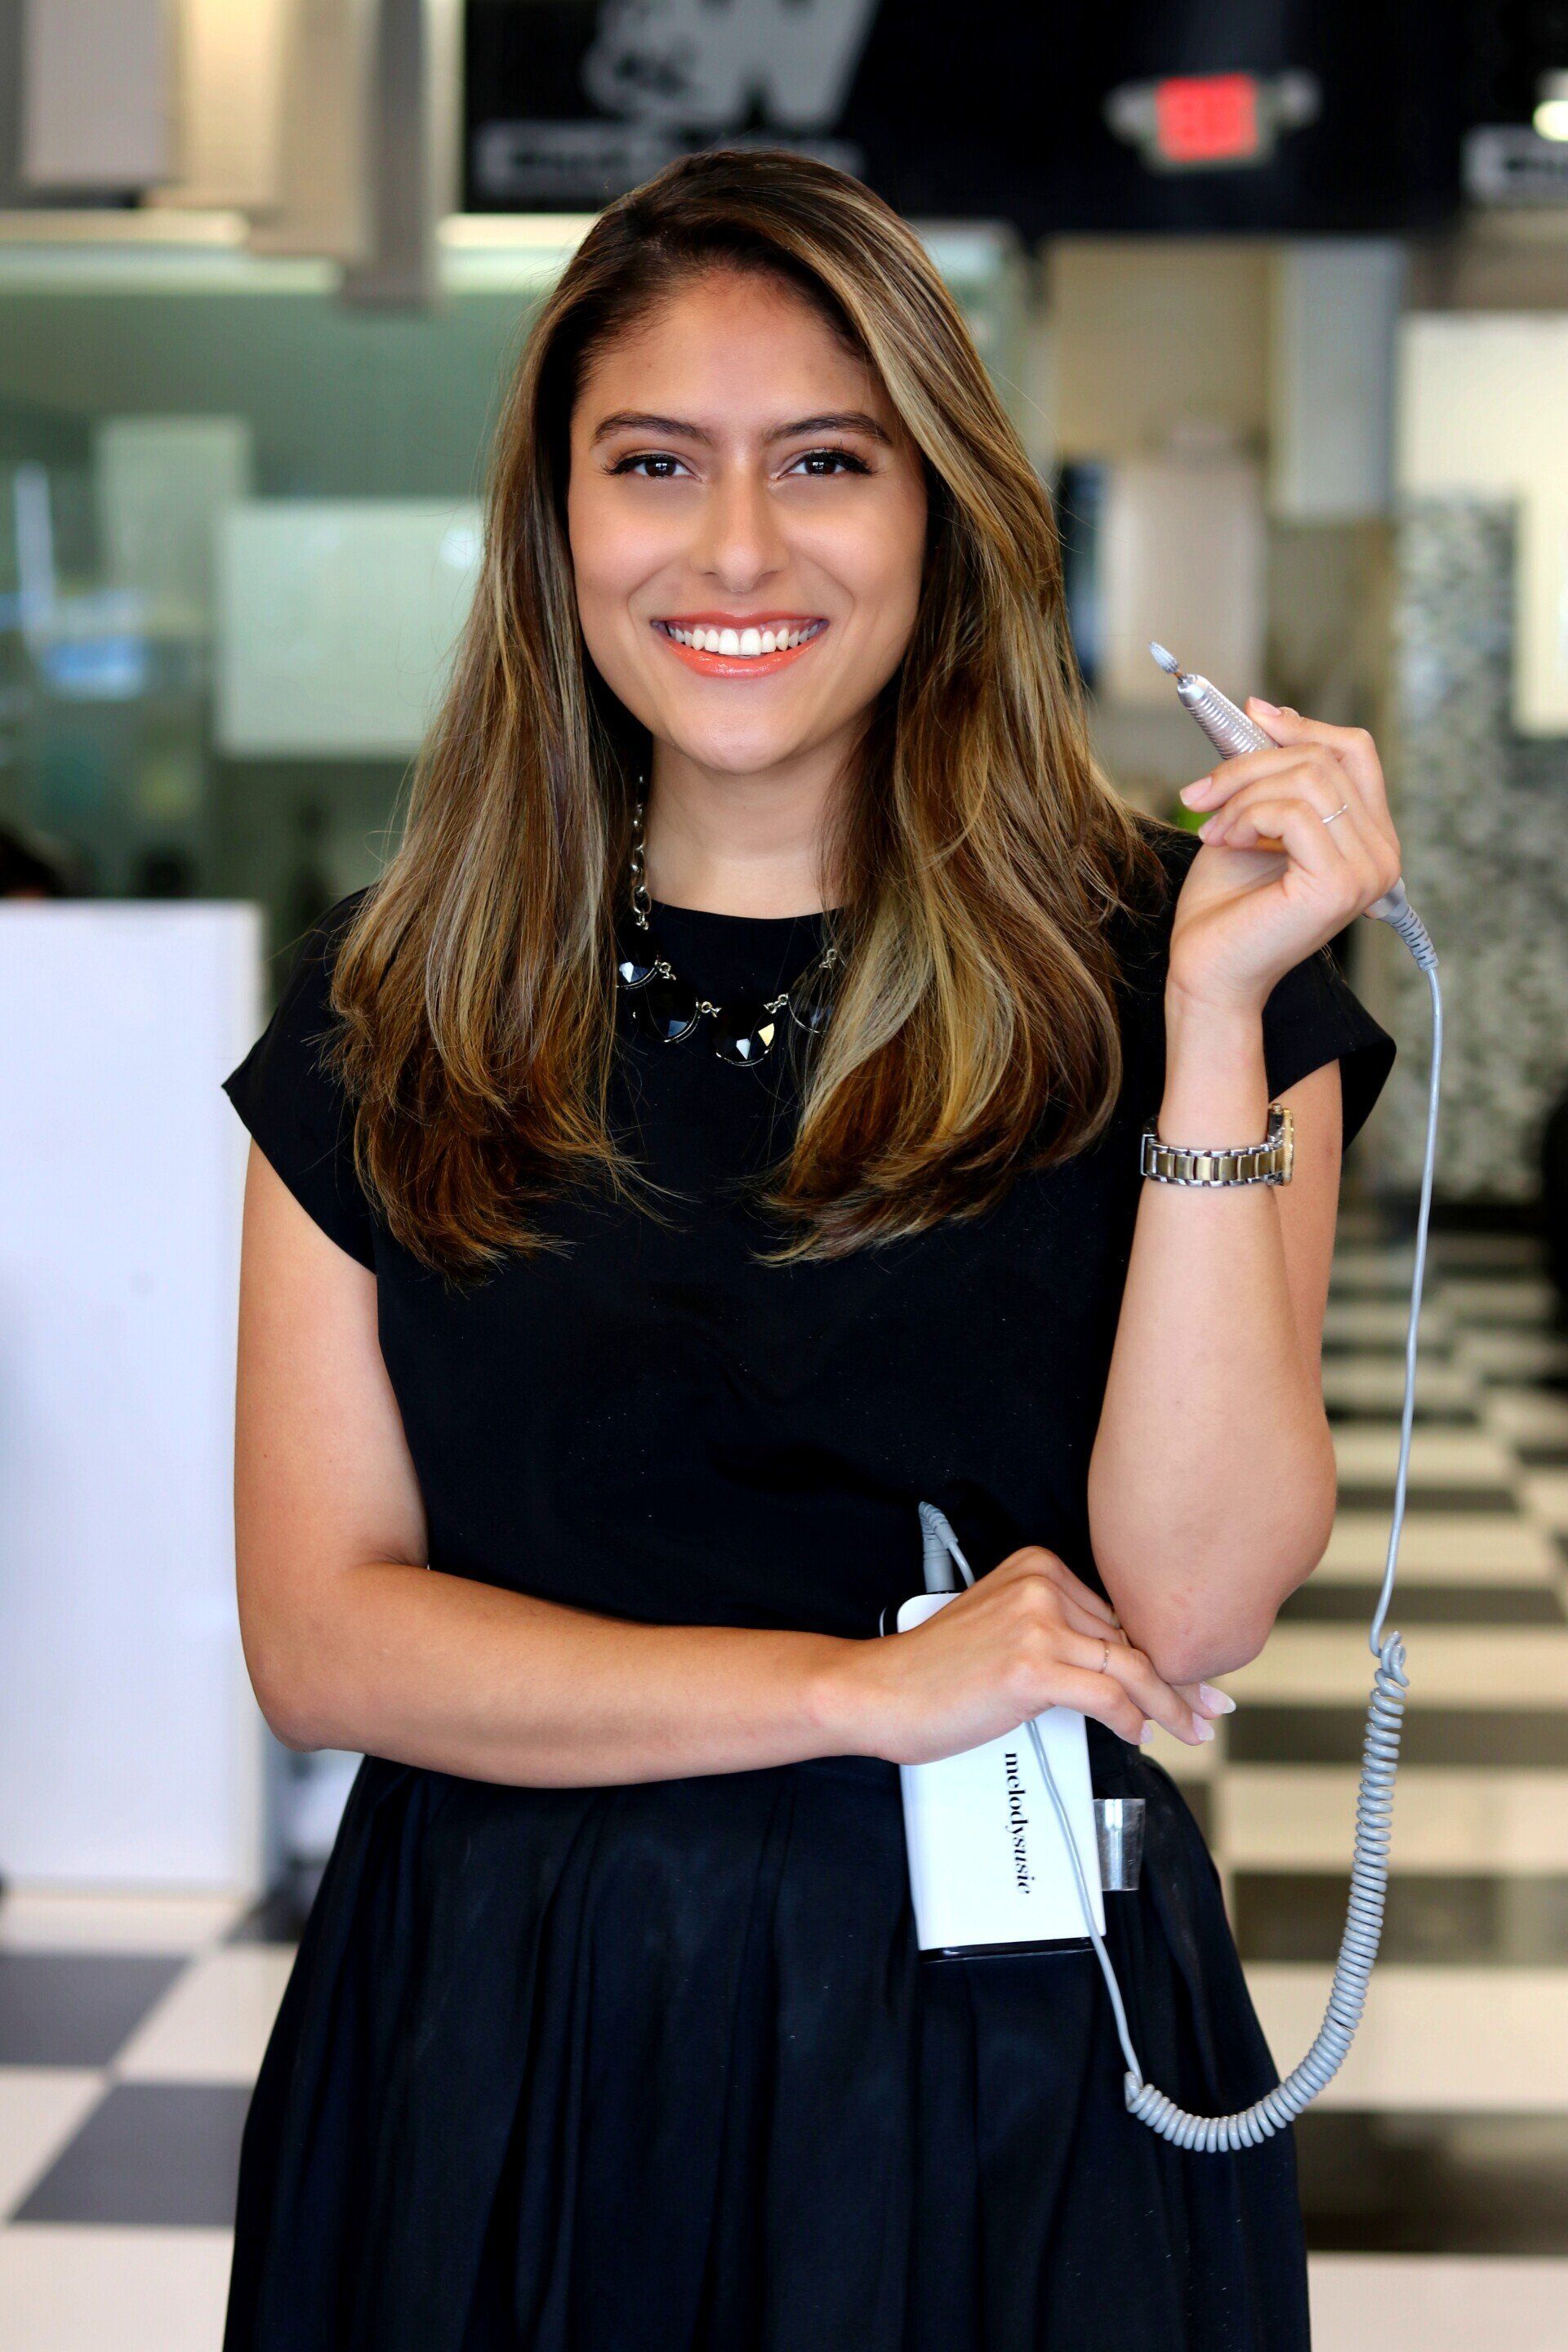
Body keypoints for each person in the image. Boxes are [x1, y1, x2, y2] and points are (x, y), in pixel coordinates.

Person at [219, 148, 1398, 2352]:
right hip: (504, 2029)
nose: (737, 546)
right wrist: (860, 1695)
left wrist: (1220, 1031)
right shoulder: (395, 1009)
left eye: (826, 463)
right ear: (557, 524)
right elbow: (324, 1640)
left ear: (943, 508)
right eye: (654, 463)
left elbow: (1206, 1590)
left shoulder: (1182, 977)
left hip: (1007, 2037)